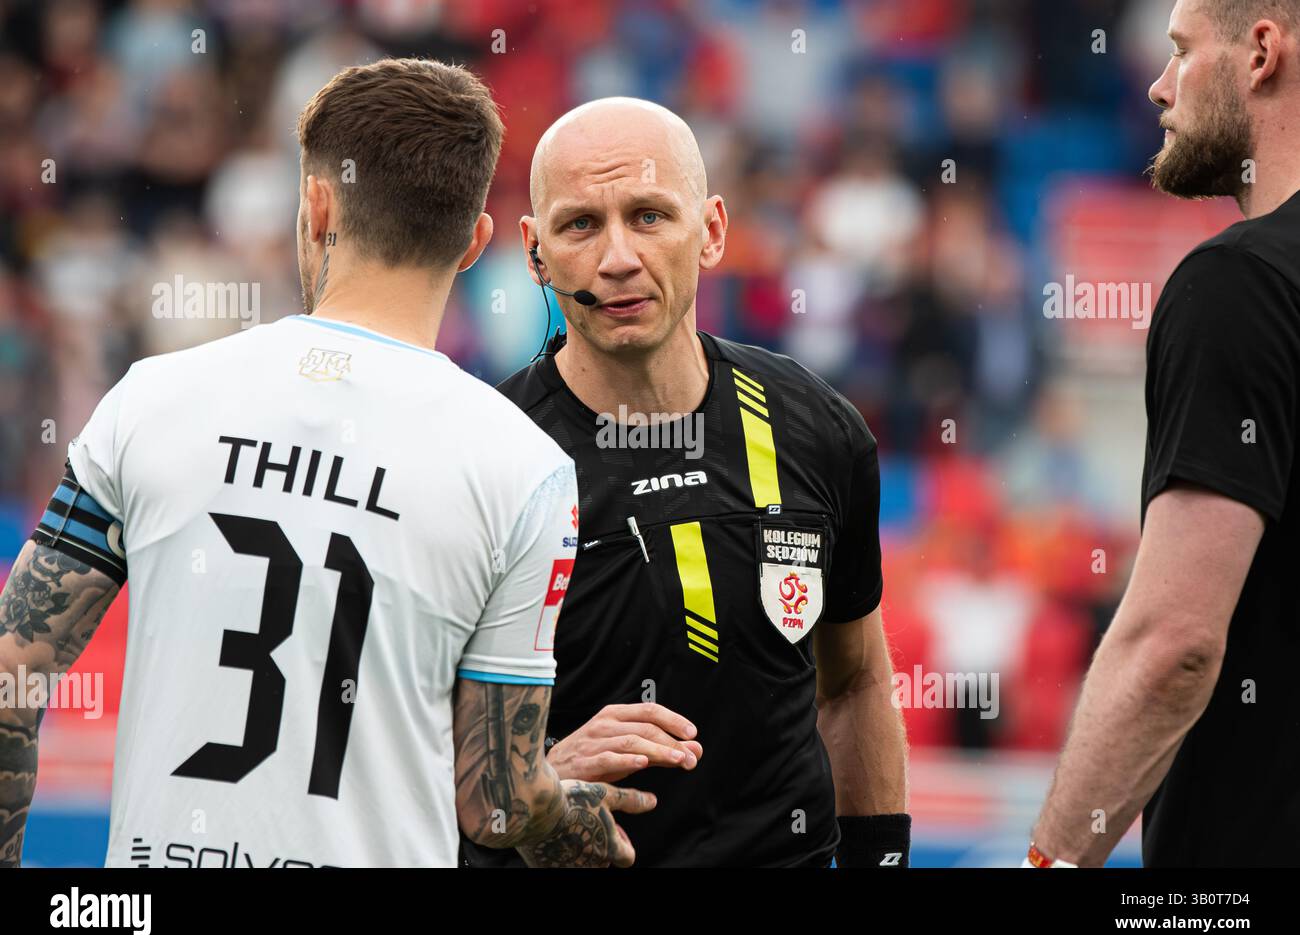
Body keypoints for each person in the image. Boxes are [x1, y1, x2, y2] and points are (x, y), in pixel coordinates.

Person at [0, 58, 651, 869]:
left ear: (316, 206)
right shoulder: (524, 467)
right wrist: (585, 825)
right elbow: (499, 801)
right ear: (476, 241)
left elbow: (11, 673)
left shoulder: (153, 399)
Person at [461, 97, 909, 868]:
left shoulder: (816, 425)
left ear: (711, 231)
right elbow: (385, 746)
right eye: (579, 225)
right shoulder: (478, 455)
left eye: (648, 216)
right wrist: (525, 783)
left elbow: (857, 683)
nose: (617, 257)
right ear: (533, 253)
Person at [1027, 0, 1300, 867]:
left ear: (1261, 51)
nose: (1156, 86)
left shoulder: (1237, 284)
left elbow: (1173, 646)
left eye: (1181, 52)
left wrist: (1051, 861)